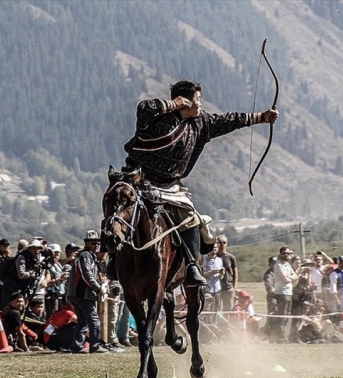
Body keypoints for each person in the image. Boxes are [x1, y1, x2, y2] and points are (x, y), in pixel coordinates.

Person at [117, 79, 279, 287]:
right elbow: (144, 107)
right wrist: (175, 104)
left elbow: (229, 120)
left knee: (190, 218)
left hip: (171, 184)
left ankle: (192, 266)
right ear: (184, 101)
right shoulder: (155, 119)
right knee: (119, 208)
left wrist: (262, 118)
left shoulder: (201, 122)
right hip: (139, 180)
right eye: (197, 100)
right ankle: (115, 258)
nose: (201, 104)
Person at [66, 230, 108, 353]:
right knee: (94, 320)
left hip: (77, 293)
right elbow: (86, 274)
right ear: (87, 243)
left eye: (97, 243)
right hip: (82, 293)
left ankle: (77, 346)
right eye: (93, 243)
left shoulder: (87, 255)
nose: (96, 245)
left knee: (83, 321)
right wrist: (98, 288)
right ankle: (95, 345)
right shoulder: (85, 256)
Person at [273, 247, 298, 341]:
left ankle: (284, 335)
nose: (286, 255)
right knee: (282, 315)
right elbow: (285, 279)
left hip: (289, 292)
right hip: (281, 293)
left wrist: (289, 277)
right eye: (284, 253)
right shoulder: (278, 265)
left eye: (288, 253)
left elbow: (295, 275)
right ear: (280, 254)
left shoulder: (287, 264)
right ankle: (280, 336)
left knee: (287, 315)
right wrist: (290, 278)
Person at [44, 243, 69, 318]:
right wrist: (60, 278)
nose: (57, 255)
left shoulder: (58, 265)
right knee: (53, 315)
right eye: (55, 253)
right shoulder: (47, 266)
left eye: (58, 253)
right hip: (52, 294)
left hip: (60, 293)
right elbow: (47, 283)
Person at [202, 242, 223, 320]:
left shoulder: (220, 260)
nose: (214, 249)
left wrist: (221, 274)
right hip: (208, 289)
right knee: (207, 309)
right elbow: (202, 274)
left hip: (217, 289)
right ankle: (206, 324)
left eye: (216, 248)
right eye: (213, 247)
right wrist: (212, 272)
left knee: (216, 309)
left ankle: (214, 324)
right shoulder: (204, 259)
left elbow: (221, 277)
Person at [216, 235, 238, 311]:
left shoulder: (231, 257)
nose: (222, 244)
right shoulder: (213, 257)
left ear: (226, 243)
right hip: (216, 288)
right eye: (220, 242)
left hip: (228, 288)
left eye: (224, 242)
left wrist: (234, 287)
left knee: (228, 309)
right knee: (216, 309)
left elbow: (235, 273)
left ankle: (228, 323)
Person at [263, 255, 278, 340]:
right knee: (272, 315)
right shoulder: (268, 274)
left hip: (279, 297)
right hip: (273, 298)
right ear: (269, 264)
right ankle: (268, 333)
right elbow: (269, 288)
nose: (274, 265)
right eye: (273, 263)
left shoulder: (278, 272)